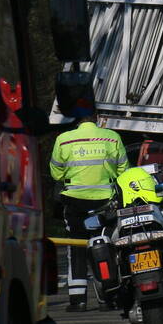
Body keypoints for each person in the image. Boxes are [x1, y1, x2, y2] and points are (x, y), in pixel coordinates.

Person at [49, 108, 129, 311]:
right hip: (105, 204)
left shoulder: (64, 140)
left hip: (75, 202)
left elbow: (56, 173)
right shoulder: (112, 138)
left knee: (76, 248)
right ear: (98, 119)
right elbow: (124, 171)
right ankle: (107, 298)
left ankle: (78, 300)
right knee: (105, 246)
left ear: (76, 120)